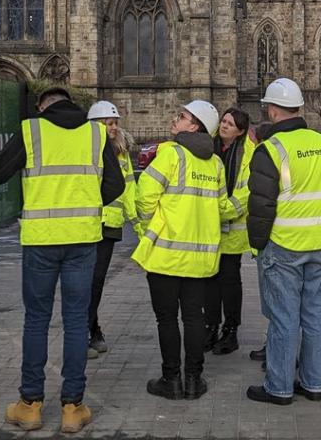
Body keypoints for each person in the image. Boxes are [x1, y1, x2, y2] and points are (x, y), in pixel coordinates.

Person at [0, 88, 125, 434]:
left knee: (36, 320)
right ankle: (72, 407)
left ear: (42, 106)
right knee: (77, 321)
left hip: (41, 240)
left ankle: (30, 405)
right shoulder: (96, 133)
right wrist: (88, 203)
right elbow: (117, 185)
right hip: (83, 238)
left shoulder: (32, 129)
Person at [133, 100, 243, 401]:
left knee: (166, 319)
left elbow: (144, 199)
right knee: (194, 317)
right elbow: (222, 208)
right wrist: (242, 201)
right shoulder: (216, 164)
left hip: (165, 256)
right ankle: (194, 380)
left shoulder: (169, 155)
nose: (174, 118)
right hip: (201, 259)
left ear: (194, 126)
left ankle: (171, 380)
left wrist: (148, 231)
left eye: (181, 116)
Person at [245, 78, 321, 406]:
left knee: (284, 319)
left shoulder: (270, 149)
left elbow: (260, 206)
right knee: (313, 316)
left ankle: (280, 387)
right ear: (299, 107)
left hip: (283, 245)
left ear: (272, 110)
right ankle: (313, 384)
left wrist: (258, 246)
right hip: (317, 243)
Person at [85, 100, 141, 359]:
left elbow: (129, 190)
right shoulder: (85, 150)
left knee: (96, 282)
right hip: (87, 224)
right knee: (86, 282)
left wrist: (140, 226)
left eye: (116, 123)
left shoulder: (121, 152)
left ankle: (91, 329)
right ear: (96, 124)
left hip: (110, 225)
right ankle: (89, 331)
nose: (114, 127)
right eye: (109, 123)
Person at [204, 107, 254, 355]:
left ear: (241, 131)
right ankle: (210, 327)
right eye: (223, 121)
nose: (224, 126)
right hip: (207, 229)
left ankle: (231, 330)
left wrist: (222, 211)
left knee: (229, 282)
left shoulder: (248, 155)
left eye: (231, 124)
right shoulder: (207, 148)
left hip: (232, 229)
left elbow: (247, 192)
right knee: (209, 282)